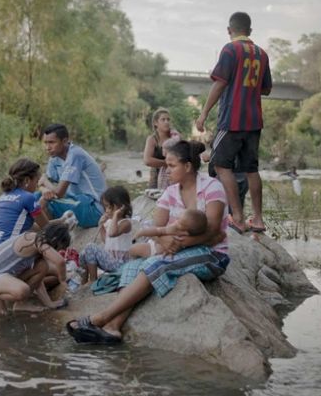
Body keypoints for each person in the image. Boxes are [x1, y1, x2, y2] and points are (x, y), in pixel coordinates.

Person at [65, 140, 229, 344]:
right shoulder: (170, 192)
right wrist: (167, 239)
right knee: (132, 267)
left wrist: (178, 244)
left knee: (155, 264)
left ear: (187, 166)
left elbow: (214, 231)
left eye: (171, 166)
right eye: (166, 165)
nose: (166, 170)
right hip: (174, 251)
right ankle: (113, 328)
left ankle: (101, 318)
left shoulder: (212, 187)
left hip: (211, 254)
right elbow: (155, 229)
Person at [196, 11, 272, 234]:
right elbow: (266, 89)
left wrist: (203, 113)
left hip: (232, 119)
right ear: (249, 31)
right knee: (251, 169)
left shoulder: (230, 49)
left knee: (220, 164)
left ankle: (237, 217)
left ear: (230, 30)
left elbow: (219, 83)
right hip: (254, 120)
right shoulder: (262, 53)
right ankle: (257, 219)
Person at [0, 224, 71, 316]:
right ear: (54, 240)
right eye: (58, 249)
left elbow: (38, 280)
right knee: (23, 290)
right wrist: (62, 280)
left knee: (43, 266)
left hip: (7, 274)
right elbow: (60, 262)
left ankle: (21, 304)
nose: (57, 251)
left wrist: (49, 303)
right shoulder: (36, 241)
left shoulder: (39, 245)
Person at [40, 123, 107, 228]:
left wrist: (44, 181)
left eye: (52, 142)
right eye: (46, 143)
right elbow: (45, 185)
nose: (48, 147)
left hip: (94, 208)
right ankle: (48, 233)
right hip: (77, 201)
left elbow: (58, 193)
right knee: (37, 197)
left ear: (65, 141)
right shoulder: (54, 158)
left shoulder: (75, 155)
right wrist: (44, 189)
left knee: (46, 203)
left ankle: (49, 236)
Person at [78, 186, 134, 283]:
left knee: (90, 247)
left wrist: (116, 215)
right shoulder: (110, 222)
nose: (107, 210)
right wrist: (102, 226)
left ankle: (93, 280)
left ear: (121, 207)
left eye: (110, 207)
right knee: (84, 253)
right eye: (106, 207)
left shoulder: (126, 223)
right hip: (111, 260)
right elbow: (107, 240)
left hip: (121, 264)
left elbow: (112, 233)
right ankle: (84, 280)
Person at [129, 208, 207, 258]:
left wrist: (141, 232)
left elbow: (158, 231)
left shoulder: (175, 229)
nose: (176, 222)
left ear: (185, 232)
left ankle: (132, 260)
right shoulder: (188, 236)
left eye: (179, 222)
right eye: (178, 219)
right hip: (163, 251)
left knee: (133, 249)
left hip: (155, 250)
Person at [143, 108, 180, 189]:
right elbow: (147, 160)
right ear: (156, 123)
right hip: (156, 175)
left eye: (168, 119)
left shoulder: (175, 137)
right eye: (163, 119)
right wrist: (166, 163)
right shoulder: (152, 139)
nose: (166, 122)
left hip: (174, 175)